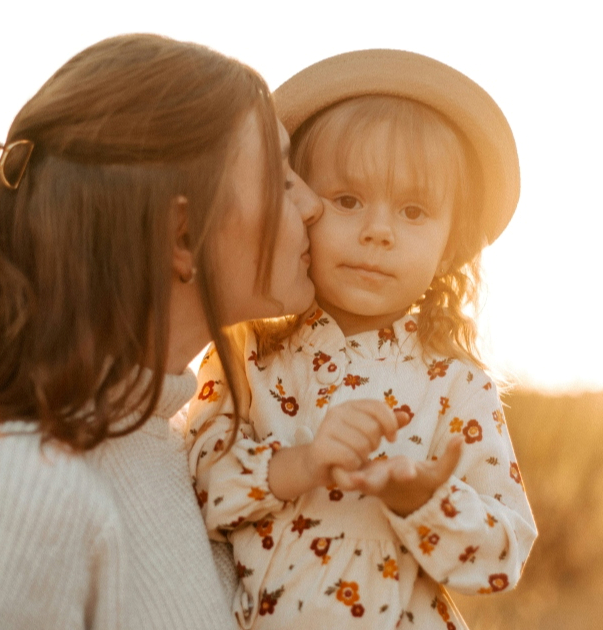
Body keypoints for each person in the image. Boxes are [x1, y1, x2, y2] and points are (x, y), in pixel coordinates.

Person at [0, 34, 324, 630]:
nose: (312, 204)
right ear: (182, 233)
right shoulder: (19, 500)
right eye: (280, 179)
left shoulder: (174, 454)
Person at [186, 49, 537, 629]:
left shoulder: (454, 383)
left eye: (414, 210)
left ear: (451, 246)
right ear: (297, 204)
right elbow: (196, 486)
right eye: (347, 201)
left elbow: (505, 554)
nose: (377, 231)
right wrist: (302, 463)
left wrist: (423, 499)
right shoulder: (246, 354)